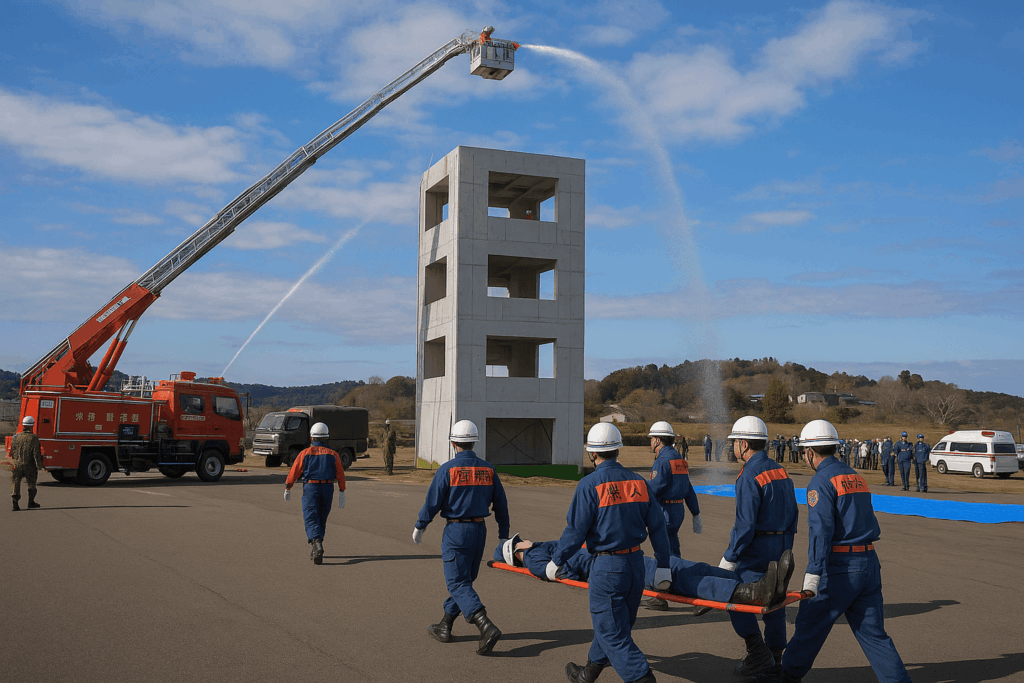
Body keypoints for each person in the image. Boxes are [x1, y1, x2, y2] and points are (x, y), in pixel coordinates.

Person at [755, 419, 912, 683]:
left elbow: (821, 531)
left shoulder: (820, 481)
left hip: (840, 566)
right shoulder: (855, 476)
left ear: (809, 452)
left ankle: (788, 675)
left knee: (809, 624)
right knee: (874, 635)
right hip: (868, 562)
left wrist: (814, 572)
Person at [545, 423, 671, 683]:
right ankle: (587, 673)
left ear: (592, 453)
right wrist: (664, 565)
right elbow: (658, 527)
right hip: (636, 563)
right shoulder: (638, 481)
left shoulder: (589, 485)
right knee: (617, 625)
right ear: (618, 449)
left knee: (613, 633)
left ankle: (642, 678)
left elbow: (575, 532)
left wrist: (556, 560)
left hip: (607, 568)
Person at [412, 420, 509, 655]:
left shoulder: (447, 469)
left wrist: (420, 525)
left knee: (457, 582)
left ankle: (485, 625)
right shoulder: (488, 469)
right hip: (479, 531)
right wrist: (503, 534)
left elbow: (432, 501)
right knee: (465, 580)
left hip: (457, 531)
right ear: (474, 441)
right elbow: (502, 504)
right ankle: (445, 625)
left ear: (453, 442)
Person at [495, 536, 790, 610]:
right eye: (517, 540)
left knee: (690, 568)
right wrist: (558, 565)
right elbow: (548, 571)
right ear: (515, 551)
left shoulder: (542, 547)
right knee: (684, 579)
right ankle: (750, 592)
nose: (523, 538)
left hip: (623, 558)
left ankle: (759, 583)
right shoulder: (534, 555)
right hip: (611, 566)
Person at [719, 416, 799, 677]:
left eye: (734, 443)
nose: (733, 448)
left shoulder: (749, 475)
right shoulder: (780, 470)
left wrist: (730, 557)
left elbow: (744, 525)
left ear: (743, 444)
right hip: (782, 543)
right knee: (774, 600)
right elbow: (794, 512)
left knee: (735, 596)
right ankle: (776, 657)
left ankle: (757, 652)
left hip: (757, 549)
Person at [643, 421, 701, 610]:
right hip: (677, 511)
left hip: (664, 511)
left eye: (652, 439)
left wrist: (638, 508)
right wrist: (695, 513)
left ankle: (661, 595)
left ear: (658, 440)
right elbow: (689, 489)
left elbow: (653, 489)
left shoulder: (662, 460)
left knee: (663, 553)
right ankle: (678, 585)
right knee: (673, 550)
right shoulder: (679, 459)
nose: (651, 442)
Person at [284, 422, 347, 565]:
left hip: (311, 488)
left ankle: (317, 544)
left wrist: (288, 487)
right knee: (321, 518)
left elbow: (294, 472)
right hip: (328, 488)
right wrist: (342, 490)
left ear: (312, 437)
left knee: (310, 517)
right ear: (327, 437)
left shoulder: (304, 453)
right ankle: (316, 546)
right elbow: (340, 474)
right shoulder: (333, 454)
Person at [10, 416, 44, 511]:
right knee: (31, 484)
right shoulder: (34, 438)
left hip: (16, 464)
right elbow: (36, 453)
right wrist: (39, 466)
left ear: (23, 425)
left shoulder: (15, 437)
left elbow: (13, 451)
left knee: (15, 483)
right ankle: (31, 502)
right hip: (29, 465)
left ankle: (15, 504)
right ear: (32, 426)